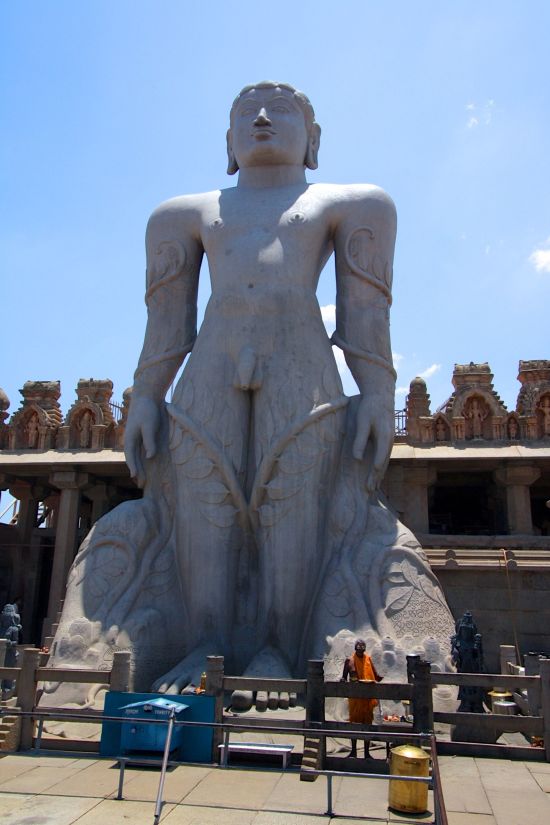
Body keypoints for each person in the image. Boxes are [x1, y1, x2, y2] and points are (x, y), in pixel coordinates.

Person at [124, 81, 397, 691]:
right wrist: (145, 395)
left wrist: (377, 390)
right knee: (203, 500)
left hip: (300, 362)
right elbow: (168, 321)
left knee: (294, 502)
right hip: (212, 367)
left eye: (281, 111)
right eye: (247, 113)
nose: (263, 119)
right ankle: (207, 643)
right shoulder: (183, 214)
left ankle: (278, 647)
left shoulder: (350, 203)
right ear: (228, 142)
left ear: (313, 140)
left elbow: (366, 310)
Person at [340, 638, 383, 757]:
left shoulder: (368, 659)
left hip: (368, 698)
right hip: (355, 698)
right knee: (354, 724)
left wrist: (382, 676)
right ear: (355, 649)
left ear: (364, 649)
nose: (360, 651)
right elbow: (344, 677)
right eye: (358, 649)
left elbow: (376, 676)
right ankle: (353, 751)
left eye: (362, 649)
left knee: (367, 725)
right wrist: (343, 680)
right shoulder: (349, 661)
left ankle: (366, 752)